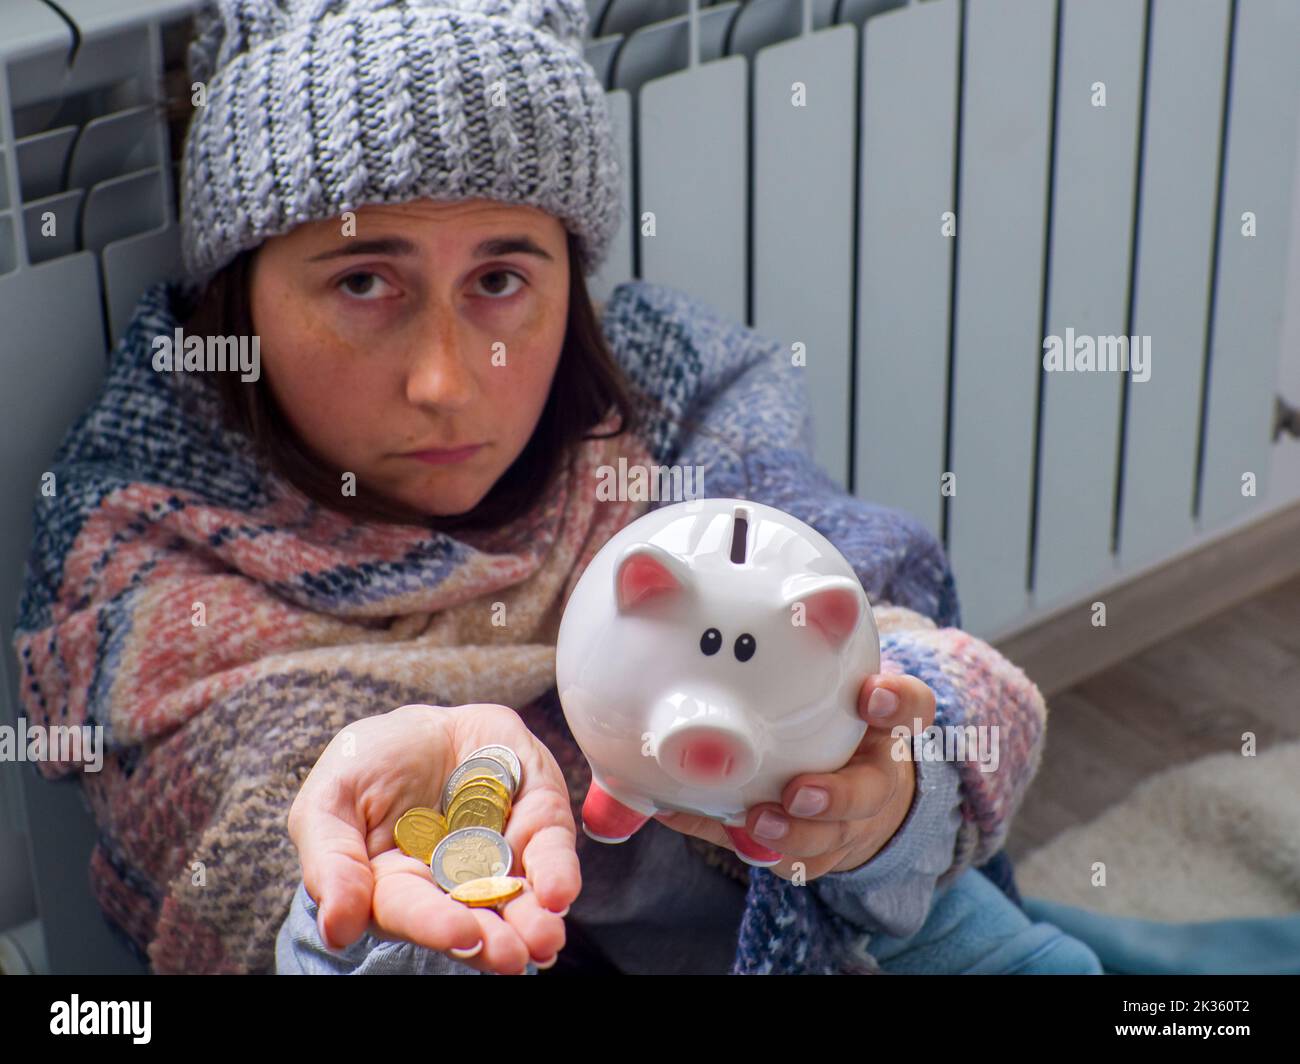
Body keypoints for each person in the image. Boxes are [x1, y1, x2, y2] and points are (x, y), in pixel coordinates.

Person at [11, 0, 1102, 976]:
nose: (442, 382)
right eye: (360, 279)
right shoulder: (149, 549)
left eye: (499, 279)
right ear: (237, 299)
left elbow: (879, 622)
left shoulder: (677, 394)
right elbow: (256, 842)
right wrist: (383, 916)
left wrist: (882, 793)